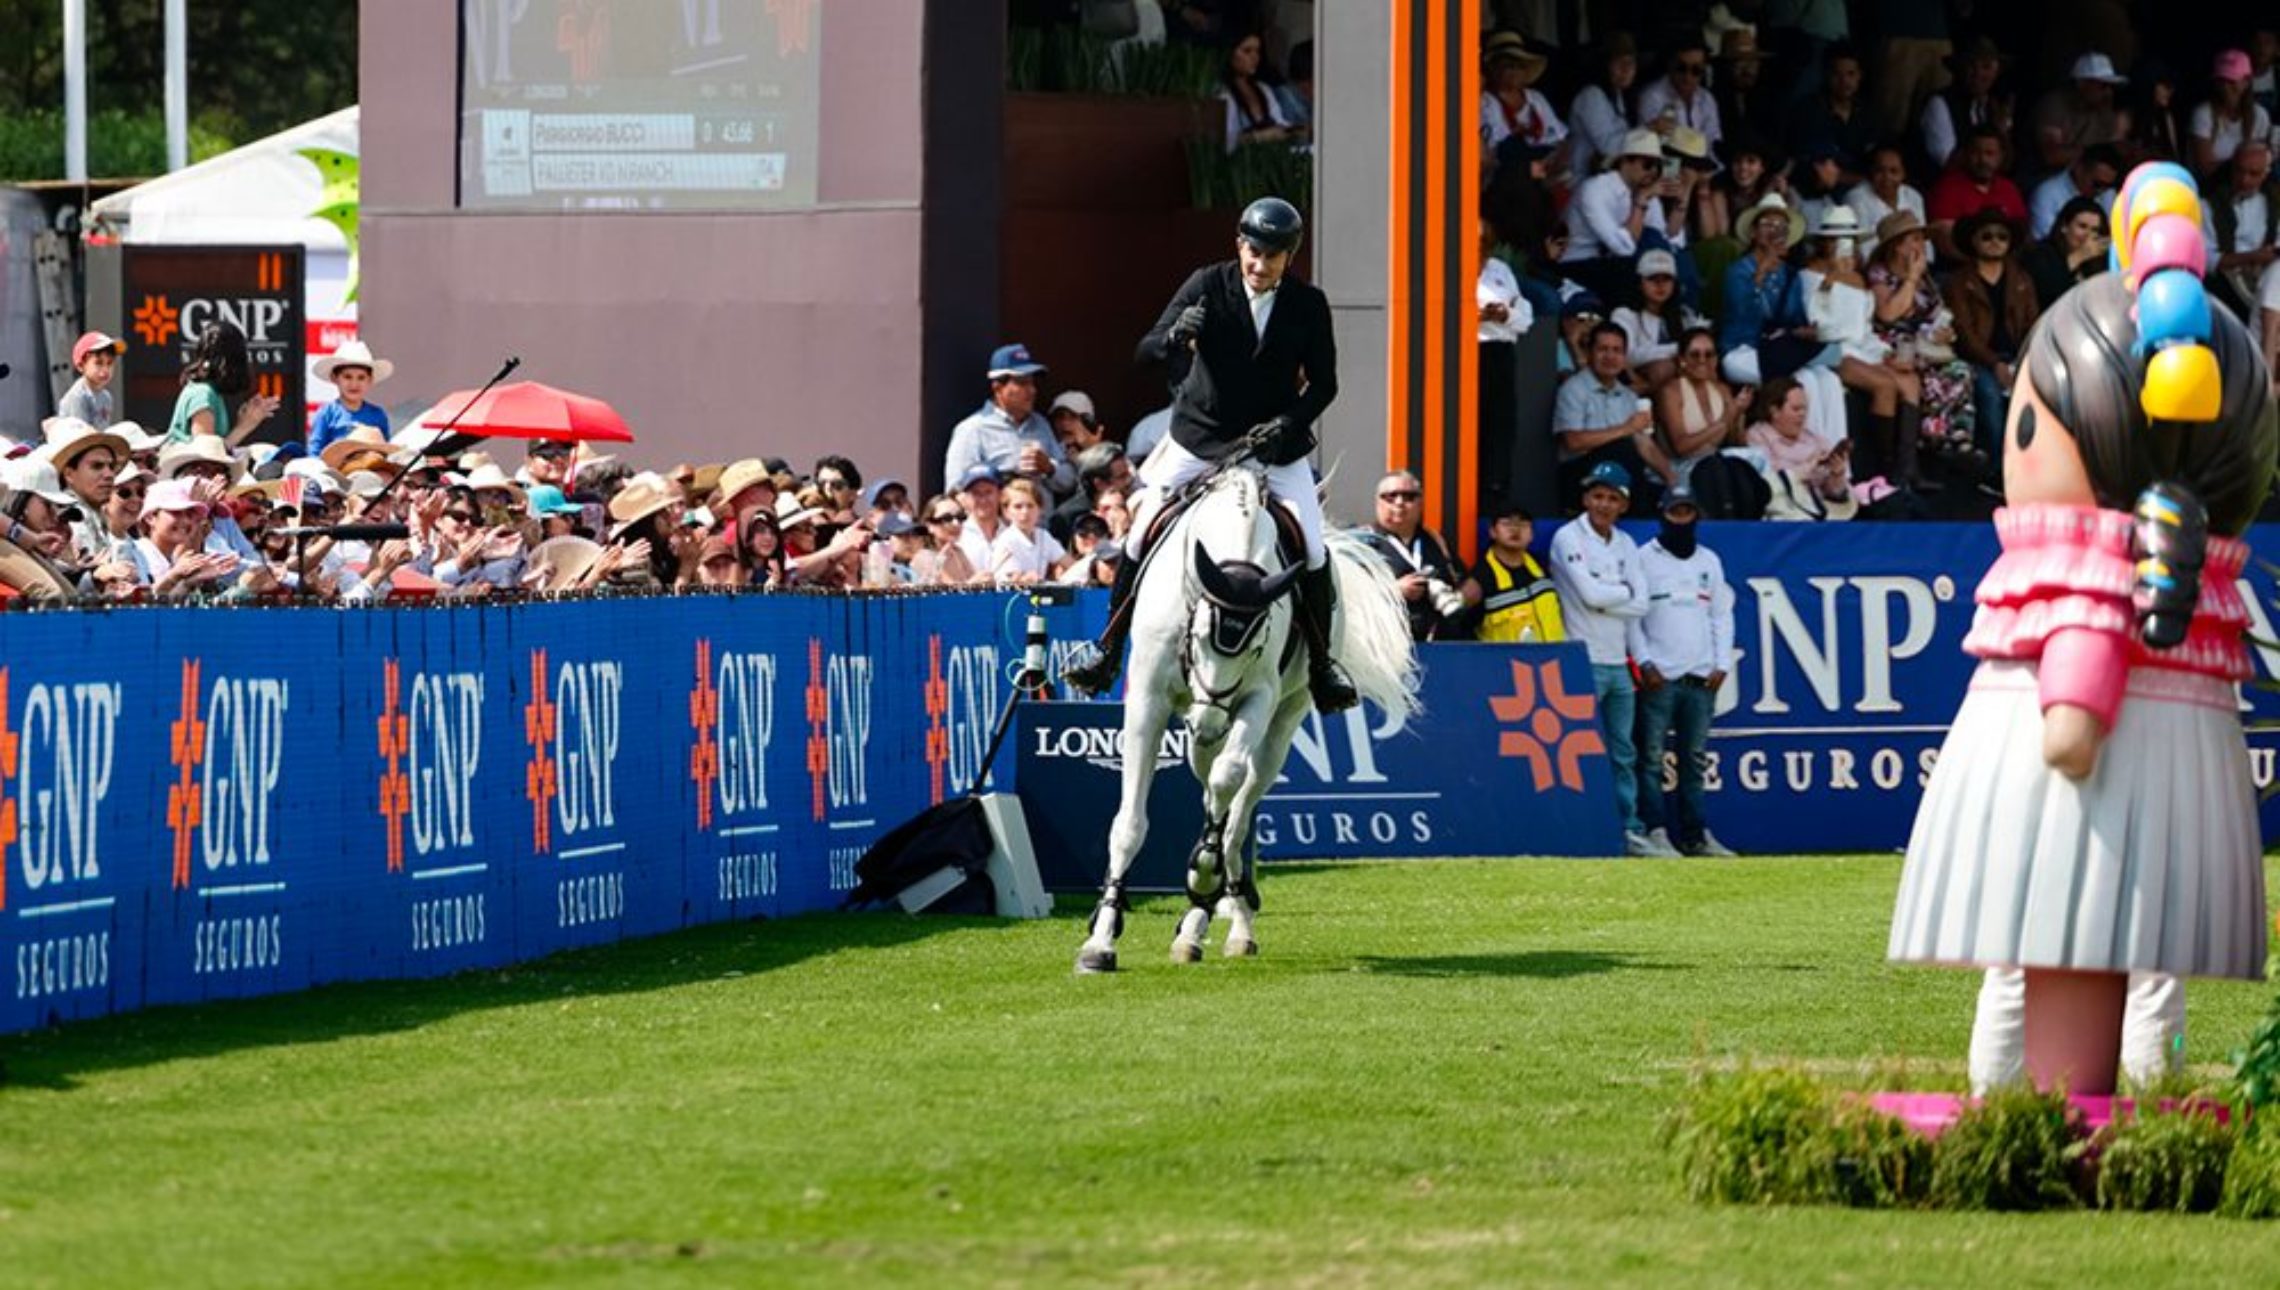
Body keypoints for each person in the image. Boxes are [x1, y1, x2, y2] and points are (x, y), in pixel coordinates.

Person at [1891, 174, 2276, 1097]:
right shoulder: (2177, 588)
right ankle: (2137, 1096)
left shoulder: (2090, 588)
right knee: (2148, 980)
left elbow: (2070, 725)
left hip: (2076, 830)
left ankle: (2028, 1111)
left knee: (2029, 974)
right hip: (2158, 820)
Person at [1063, 197, 1357, 711]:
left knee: (1311, 547)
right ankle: (1107, 650)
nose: (1260, 265)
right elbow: (1144, 350)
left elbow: (1325, 385)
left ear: (1290, 257)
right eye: (1253, 252)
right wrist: (1175, 336)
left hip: (1273, 444)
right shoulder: (1206, 284)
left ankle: (1321, 665)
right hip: (1201, 438)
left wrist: (1289, 422)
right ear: (1239, 245)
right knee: (1141, 529)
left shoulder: (1308, 305)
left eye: (1273, 256)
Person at [1549, 461, 1653, 855]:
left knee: (1623, 752)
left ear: (1623, 505)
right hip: (1582, 659)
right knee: (1577, 752)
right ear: (1585, 498)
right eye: (1597, 496)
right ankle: (1580, 828)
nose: (1603, 505)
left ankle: (1629, 828)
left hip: (1618, 662)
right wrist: (1621, 592)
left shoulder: (1626, 544)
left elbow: (1641, 604)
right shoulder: (1567, 537)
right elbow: (1589, 597)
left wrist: (1611, 596)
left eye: (1612, 498)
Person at [1630, 485, 1736, 858]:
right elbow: (1633, 616)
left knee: (1694, 759)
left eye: (1687, 512)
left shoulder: (1709, 560)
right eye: (1675, 512)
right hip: (1659, 674)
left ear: (1697, 516)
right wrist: (1644, 662)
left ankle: (1695, 836)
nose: (1681, 519)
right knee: (1651, 757)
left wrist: (1722, 663)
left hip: (1701, 676)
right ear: (1662, 514)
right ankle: (1655, 830)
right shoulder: (1644, 558)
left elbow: (1721, 614)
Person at [1866, 212, 1978, 468]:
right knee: (1933, 373)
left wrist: (1947, 332)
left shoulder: (1925, 278)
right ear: (1897, 245)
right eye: (1914, 240)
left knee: (1961, 370)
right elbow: (1888, 313)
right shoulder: (1879, 275)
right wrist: (1911, 278)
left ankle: (1957, 440)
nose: (1921, 246)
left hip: (1925, 341)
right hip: (1893, 342)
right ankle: (1935, 439)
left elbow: (1939, 312)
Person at [1945, 207, 2042, 461]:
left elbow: (2033, 324)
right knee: (1990, 395)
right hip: (1978, 359)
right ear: (1973, 240)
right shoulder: (1958, 282)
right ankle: (1999, 466)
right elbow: (1964, 334)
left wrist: (2023, 361)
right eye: (1987, 236)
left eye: (2002, 236)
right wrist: (1995, 363)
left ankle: (2031, 462)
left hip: (2017, 355)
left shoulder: (2022, 279)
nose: (1995, 242)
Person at [1555, 322, 1674, 510]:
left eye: (1617, 350)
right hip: (1578, 475)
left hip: (1621, 472)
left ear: (1624, 358)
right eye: (1603, 349)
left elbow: (1645, 445)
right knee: (1624, 449)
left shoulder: (1629, 396)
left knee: (1660, 491)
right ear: (1589, 353)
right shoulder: (1573, 389)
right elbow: (1573, 441)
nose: (1610, 356)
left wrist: (1673, 481)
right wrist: (1626, 429)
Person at [943, 343, 1076, 501]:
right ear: (998, 388)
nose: (1032, 390)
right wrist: (1002, 482)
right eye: (1022, 383)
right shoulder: (973, 429)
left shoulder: (1040, 424)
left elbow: (1069, 480)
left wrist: (1048, 468)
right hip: (998, 524)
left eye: (1032, 383)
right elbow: (956, 491)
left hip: (1042, 523)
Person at [1560, 130, 1677, 303]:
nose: (1653, 171)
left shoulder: (1646, 189)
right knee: (1633, 273)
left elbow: (1661, 237)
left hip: (1614, 260)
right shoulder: (1595, 189)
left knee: (1673, 259)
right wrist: (1640, 202)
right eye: (1647, 164)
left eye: (1658, 166)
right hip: (1579, 261)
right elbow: (1623, 248)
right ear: (1624, 161)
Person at [1359, 471, 1462, 642]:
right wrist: (1394, 590)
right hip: (1382, 648)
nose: (1399, 503)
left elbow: (1461, 582)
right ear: (1378, 503)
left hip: (1437, 647)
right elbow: (1345, 597)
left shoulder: (1436, 540)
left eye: (1409, 496)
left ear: (1420, 503)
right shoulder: (1361, 542)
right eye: (1391, 496)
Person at [2202, 140, 2280, 367]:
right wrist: (2251, 257)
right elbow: (2207, 259)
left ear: (2266, 173)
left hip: (2265, 273)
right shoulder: (2209, 204)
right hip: (2225, 281)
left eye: (2253, 173)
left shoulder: (2274, 201)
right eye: (2240, 171)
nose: (2245, 180)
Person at [1654, 326, 1749, 486]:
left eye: (1709, 354)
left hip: (1716, 463)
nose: (1702, 360)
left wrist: (1739, 414)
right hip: (1681, 469)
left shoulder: (1722, 389)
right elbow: (1681, 447)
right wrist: (1724, 420)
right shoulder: (1671, 391)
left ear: (1716, 359)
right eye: (1695, 354)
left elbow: (1735, 442)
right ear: (1681, 359)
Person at [1460, 502, 1564, 643]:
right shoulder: (1480, 578)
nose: (1515, 529)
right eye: (1507, 523)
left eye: (1522, 524)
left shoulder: (1542, 566)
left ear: (1532, 535)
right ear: (1492, 532)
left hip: (1554, 661)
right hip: (1503, 664)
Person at [1926, 125, 2029, 262]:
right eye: (1976, 153)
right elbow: (1945, 241)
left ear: (2001, 157)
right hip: (1957, 270)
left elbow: (2022, 234)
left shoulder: (2008, 188)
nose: (1983, 160)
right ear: (1966, 154)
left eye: (1990, 153)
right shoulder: (1947, 187)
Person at [167, 321, 279, 444]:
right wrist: (244, 426)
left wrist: (244, 422)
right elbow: (204, 455)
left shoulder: (207, 392)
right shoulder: (203, 394)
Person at [1919, 36, 2014, 173]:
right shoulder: (1939, 103)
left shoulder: (1994, 106)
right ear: (1959, 69)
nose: (1978, 74)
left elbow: (2007, 163)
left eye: (1986, 67)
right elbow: (1948, 163)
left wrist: (2003, 133)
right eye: (1971, 66)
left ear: (1996, 72)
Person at [2030, 51, 2131, 178]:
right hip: (2047, 178)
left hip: (2087, 182)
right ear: (2082, 83)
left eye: (2111, 87)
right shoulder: (2054, 106)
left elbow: (2114, 152)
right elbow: (2052, 156)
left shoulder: (2103, 111)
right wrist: (2096, 151)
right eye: (2103, 86)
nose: (2108, 92)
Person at [1784, 42, 1875, 181]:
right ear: (1826, 75)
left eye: (1851, 74)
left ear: (1860, 76)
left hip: (1861, 189)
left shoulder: (1868, 113)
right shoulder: (1807, 110)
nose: (1844, 81)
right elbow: (1806, 161)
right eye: (1837, 74)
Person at [1611, 249, 1694, 394]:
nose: (1660, 285)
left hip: (1678, 376)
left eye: (1666, 279)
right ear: (1639, 282)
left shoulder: (1684, 315)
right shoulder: (1624, 314)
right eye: (1653, 278)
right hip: (1636, 379)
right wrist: (1680, 348)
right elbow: (1628, 355)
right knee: (1664, 368)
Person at [1480, 32, 1566, 167]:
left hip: (1544, 167)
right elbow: (1492, 149)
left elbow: (1559, 137)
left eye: (1520, 66)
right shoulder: (1485, 102)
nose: (1515, 70)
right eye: (1509, 65)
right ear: (1494, 68)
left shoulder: (1536, 98)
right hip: (1507, 172)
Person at [1566, 32, 1640, 181]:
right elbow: (1608, 147)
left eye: (1630, 62)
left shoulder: (1617, 94)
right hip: (1584, 181)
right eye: (1619, 62)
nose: (1626, 69)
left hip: (1612, 177)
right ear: (1605, 65)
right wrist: (1647, 132)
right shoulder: (1591, 95)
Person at [1221, 29, 1305, 153]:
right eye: (1247, 51)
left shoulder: (1263, 88)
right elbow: (1226, 141)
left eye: (1257, 51)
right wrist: (1259, 137)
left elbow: (1280, 121)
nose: (1255, 57)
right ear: (1230, 53)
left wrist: (1295, 130)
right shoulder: (1223, 94)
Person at [307, 340, 394, 457]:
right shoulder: (327, 413)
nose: (354, 384)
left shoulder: (378, 414)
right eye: (347, 377)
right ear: (335, 378)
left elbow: (385, 450)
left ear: (370, 380)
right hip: (333, 472)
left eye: (361, 378)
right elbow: (314, 451)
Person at [2192, 50, 2270, 180]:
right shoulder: (2203, 114)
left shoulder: (2260, 115)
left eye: (2232, 81)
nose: (2226, 87)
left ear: (2246, 82)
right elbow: (2205, 169)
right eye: (2222, 81)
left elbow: (2260, 165)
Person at [2024, 195, 2111, 309]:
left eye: (2095, 230)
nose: (2088, 235)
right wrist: (2079, 256)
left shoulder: (2100, 261)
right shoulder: (2040, 254)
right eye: (2082, 226)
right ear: (2064, 226)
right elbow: (2046, 292)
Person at [1635, 35, 1722, 147]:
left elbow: (1713, 143)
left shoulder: (1707, 99)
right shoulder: (1651, 97)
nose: (1688, 77)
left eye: (1696, 70)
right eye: (1681, 68)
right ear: (1670, 65)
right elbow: (1653, 145)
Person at [2026, 144, 2120, 242]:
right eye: (2097, 184)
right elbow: (2046, 241)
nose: (2101, 191)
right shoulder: (2047, 195)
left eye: (2107, 186)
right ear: (2079, 169)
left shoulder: (2108, 193)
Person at [990, 478, 1067, 585]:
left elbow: (1070, 563)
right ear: (1006, 512)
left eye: (1030, 506)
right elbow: (1011, 581)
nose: (1025, 512)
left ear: (1040, 509)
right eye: (1018, 507)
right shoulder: (1006, 541)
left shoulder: (1044, 536)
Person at [55, 331, 125, 427]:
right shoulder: (78, 396)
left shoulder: (106, 397)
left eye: (109, 363)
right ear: (80, 366)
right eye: (98, 363)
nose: (105, 369)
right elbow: (81, 438)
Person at [1047, 391, 1108, 456]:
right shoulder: (1045, 452)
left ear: (1088, 422)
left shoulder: (1110, 455)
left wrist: (1093, 451)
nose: (1065, 423)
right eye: (1060, 416)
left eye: (1073, 416)